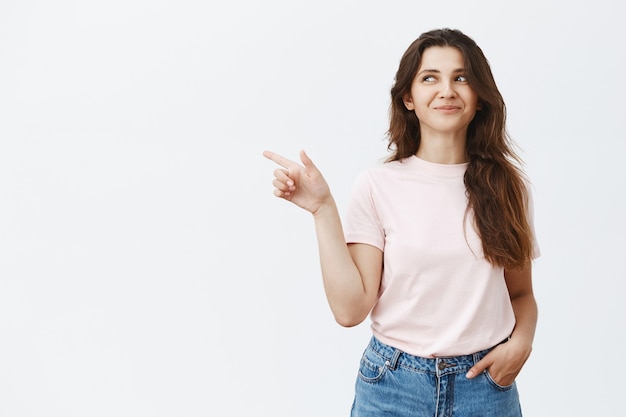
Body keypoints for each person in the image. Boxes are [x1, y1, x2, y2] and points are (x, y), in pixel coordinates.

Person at [263, 28, 540, 417]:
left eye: (461, 78)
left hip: (486, 387)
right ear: (408, 98)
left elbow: (521, 295)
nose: (447, 90)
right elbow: (350, 310)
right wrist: (323, 209)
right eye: (430, 78)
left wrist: (522, 343)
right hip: (393, 386)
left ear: (479, 98)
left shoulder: (509, 187)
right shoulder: (378, 185)